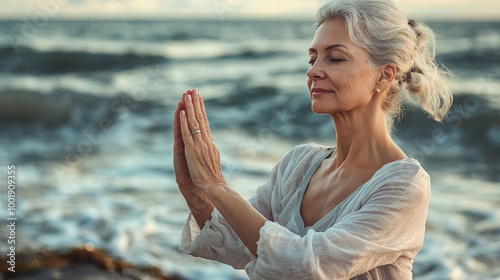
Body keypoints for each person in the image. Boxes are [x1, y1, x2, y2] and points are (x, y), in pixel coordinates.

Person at [173, 0, 453, 279]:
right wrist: (196, 191)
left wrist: (217, 185)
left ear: (384, 75)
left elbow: (305, 267)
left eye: (335, 58)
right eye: (312, 58)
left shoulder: (404, 185)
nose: (313, 70)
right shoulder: (298, 165)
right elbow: (237, 244)